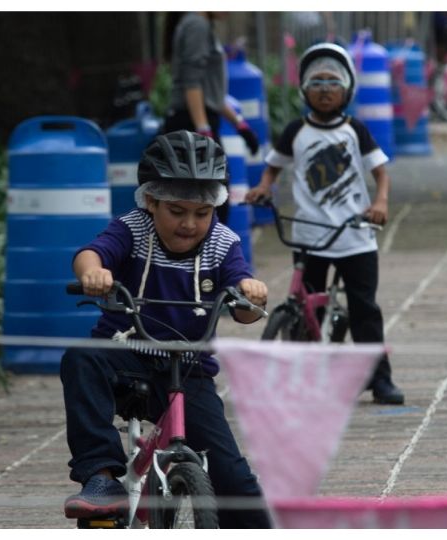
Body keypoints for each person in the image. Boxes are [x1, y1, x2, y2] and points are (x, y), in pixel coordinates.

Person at [61, 131, 272, 528]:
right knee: (81, 359)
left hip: (188, 370)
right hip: (126, 355)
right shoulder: (133, 229)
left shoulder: (223, 244)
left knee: (237, 485)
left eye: (202, 212)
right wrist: (94, 273)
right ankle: (102, 479)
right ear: (151, 201)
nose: (190, 223)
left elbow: (243, 308)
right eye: (176, 210)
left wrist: (251, 296)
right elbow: (92, 253)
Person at [243, 43, 404, 405]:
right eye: (316, 82)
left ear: (347, 89)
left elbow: (381, 173)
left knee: (365, 309)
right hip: (310, 235)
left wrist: (379, 203)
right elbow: (274, 165)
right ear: (303, 89)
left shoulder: (355, 130)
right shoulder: (296, 131)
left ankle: (380, 380)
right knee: (303, 309)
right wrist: (264, 187)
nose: (325, 89)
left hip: (355, 236)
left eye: (333, 82)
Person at [162, 12, 260, 223]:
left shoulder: (201, 24)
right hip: (190, 123)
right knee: (207, 206)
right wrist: (203, 130)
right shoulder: (196, 25)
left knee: (214, 203)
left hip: (198, 120)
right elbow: (192, 83)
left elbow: (209, 92)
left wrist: (239, 124)